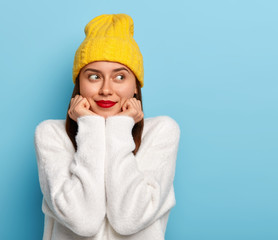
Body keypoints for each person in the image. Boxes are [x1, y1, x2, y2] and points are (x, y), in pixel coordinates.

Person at [34, 13, 180, 240]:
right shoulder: (51, 134)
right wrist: (90, 125)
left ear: (135, 86)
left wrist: (120, 127)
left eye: (120, 77)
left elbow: (128, 219)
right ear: (80, 84)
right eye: (93, 77)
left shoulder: (161, 132)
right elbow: (83, 221)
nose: (106, 89)